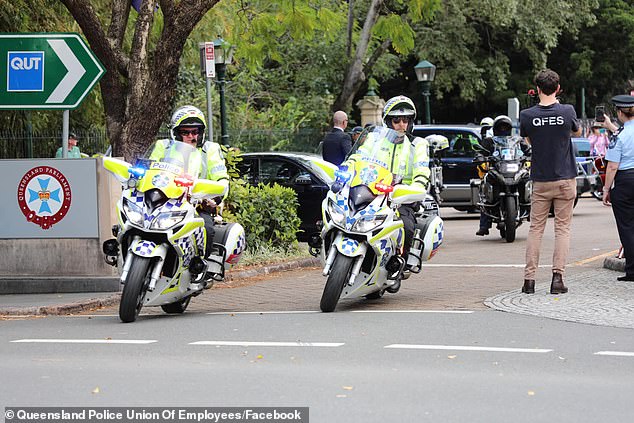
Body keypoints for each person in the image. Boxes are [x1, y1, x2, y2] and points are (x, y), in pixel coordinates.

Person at [342, 95, 430, 293]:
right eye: (396, 120)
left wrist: (417, 186)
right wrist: (348, 166)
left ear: (410, 122)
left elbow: (422, 170)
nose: (401, 124)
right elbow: (358, 156)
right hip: (371, 190)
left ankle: (398, 266)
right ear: (388, 121)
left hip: (401, 196)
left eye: (405, 120)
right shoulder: (374, 139)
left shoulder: (418, 145)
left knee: (406, 226)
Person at [519, 69, 582, 295]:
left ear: (537, 90)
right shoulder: (567, 111)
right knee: (562, 229)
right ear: (557, 88)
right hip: (565, 177)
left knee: (536, 229)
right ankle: (557, 278)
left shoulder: (527, 115)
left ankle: (529, 281)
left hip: (541, 179)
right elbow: (576, 131)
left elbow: (527, 139)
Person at [152, 105, 229, 259]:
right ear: (176, 133)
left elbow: (221, 177)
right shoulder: (163, 147)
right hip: (164, 201)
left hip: (198, 204)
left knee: (206, 228)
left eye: (195, 131)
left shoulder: (210, 149)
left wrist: (215, 197)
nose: (191, 136)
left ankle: (200, 269)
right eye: (185, 132)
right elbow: (150, 169)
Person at [600, 95, 634, 282]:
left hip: (626, 180)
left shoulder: (619, 136)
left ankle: (632, 270)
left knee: (627, 227)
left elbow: (612, 166)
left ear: (620, 113)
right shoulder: (620, 132)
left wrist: (606, 189)